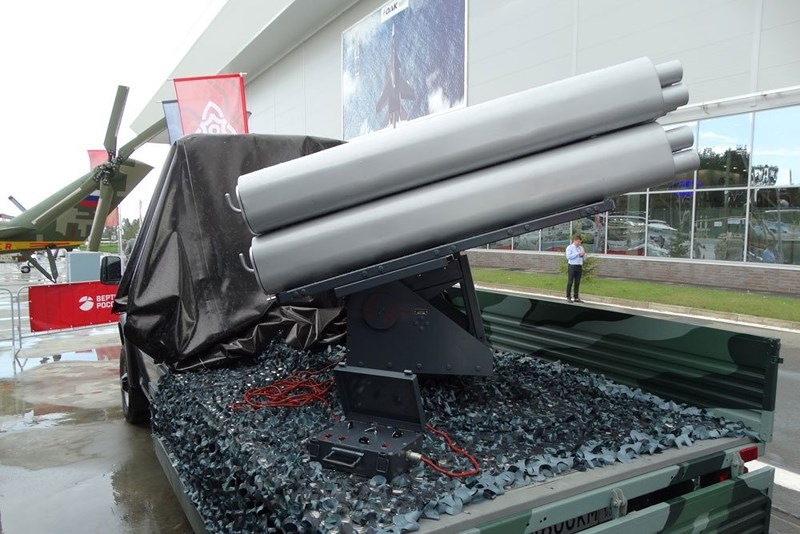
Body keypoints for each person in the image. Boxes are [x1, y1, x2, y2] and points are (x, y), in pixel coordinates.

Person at [565, 234, 585, 303]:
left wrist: (583, 255)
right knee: (570, 282)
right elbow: (568, 257)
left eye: (580, 242)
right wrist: (577, 253)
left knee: (577, 282)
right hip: (572, 266)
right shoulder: (570, 247)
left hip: (579, 266)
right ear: (575, 241)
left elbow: (584, 257)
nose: (579, 243)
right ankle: (568, 297)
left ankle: (576, 297)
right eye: (578, 242)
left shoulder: (581, 248)